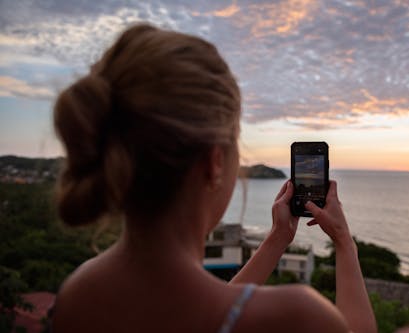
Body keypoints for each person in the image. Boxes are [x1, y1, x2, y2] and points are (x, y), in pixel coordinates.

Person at [51, 23, 377, 333]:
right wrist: (344, 244)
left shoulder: (78, 294)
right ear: (215, 161)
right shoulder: (297, 316)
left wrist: (278, 237)